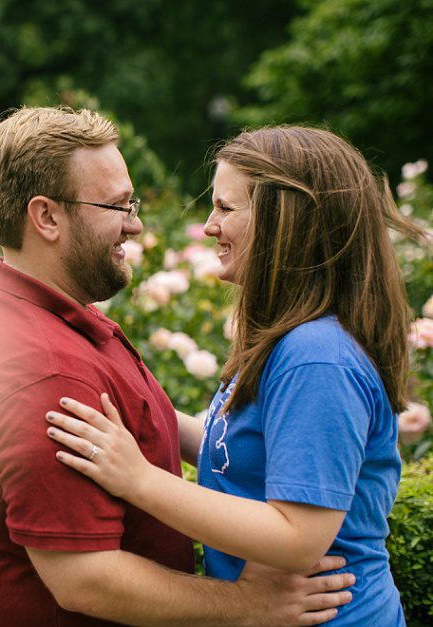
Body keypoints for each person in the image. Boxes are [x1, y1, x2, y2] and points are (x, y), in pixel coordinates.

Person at [0, 108, 354, 627]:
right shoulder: (44, 370)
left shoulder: (50, 315)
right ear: (46, 217)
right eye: (116, 205)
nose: (135, 223)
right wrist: (252, 605)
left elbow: (156, 424)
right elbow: (86, 579)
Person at [46, 125, 425, 625]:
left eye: (226, 208)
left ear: (283, 220)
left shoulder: (317, 356)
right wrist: (135, 412)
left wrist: (138, 480)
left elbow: (298, 538)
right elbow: (241, 456)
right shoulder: (290, 340)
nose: (207, 226)